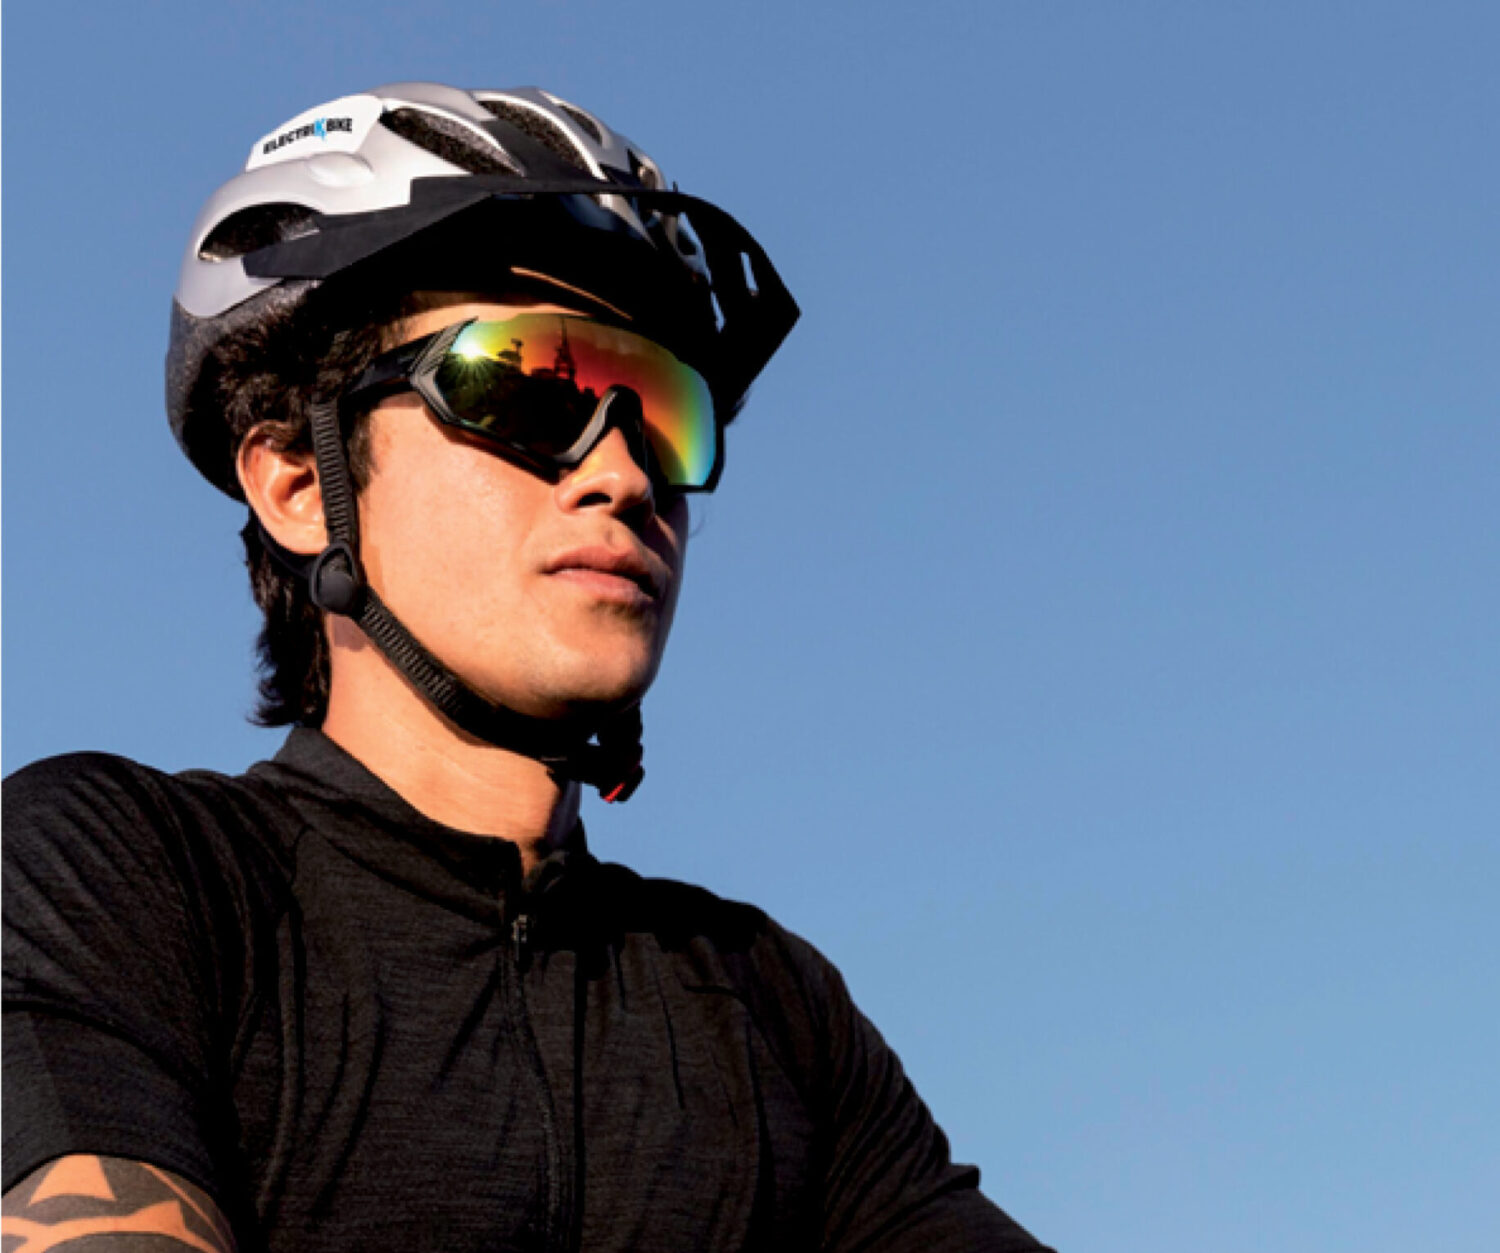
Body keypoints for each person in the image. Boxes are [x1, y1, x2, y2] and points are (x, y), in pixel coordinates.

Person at [2, 83, 1052, 1252]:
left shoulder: (768, 1002)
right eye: (525, 381)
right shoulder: (125, 873)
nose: (623, 473)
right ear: (299, 482)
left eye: (662, 411)